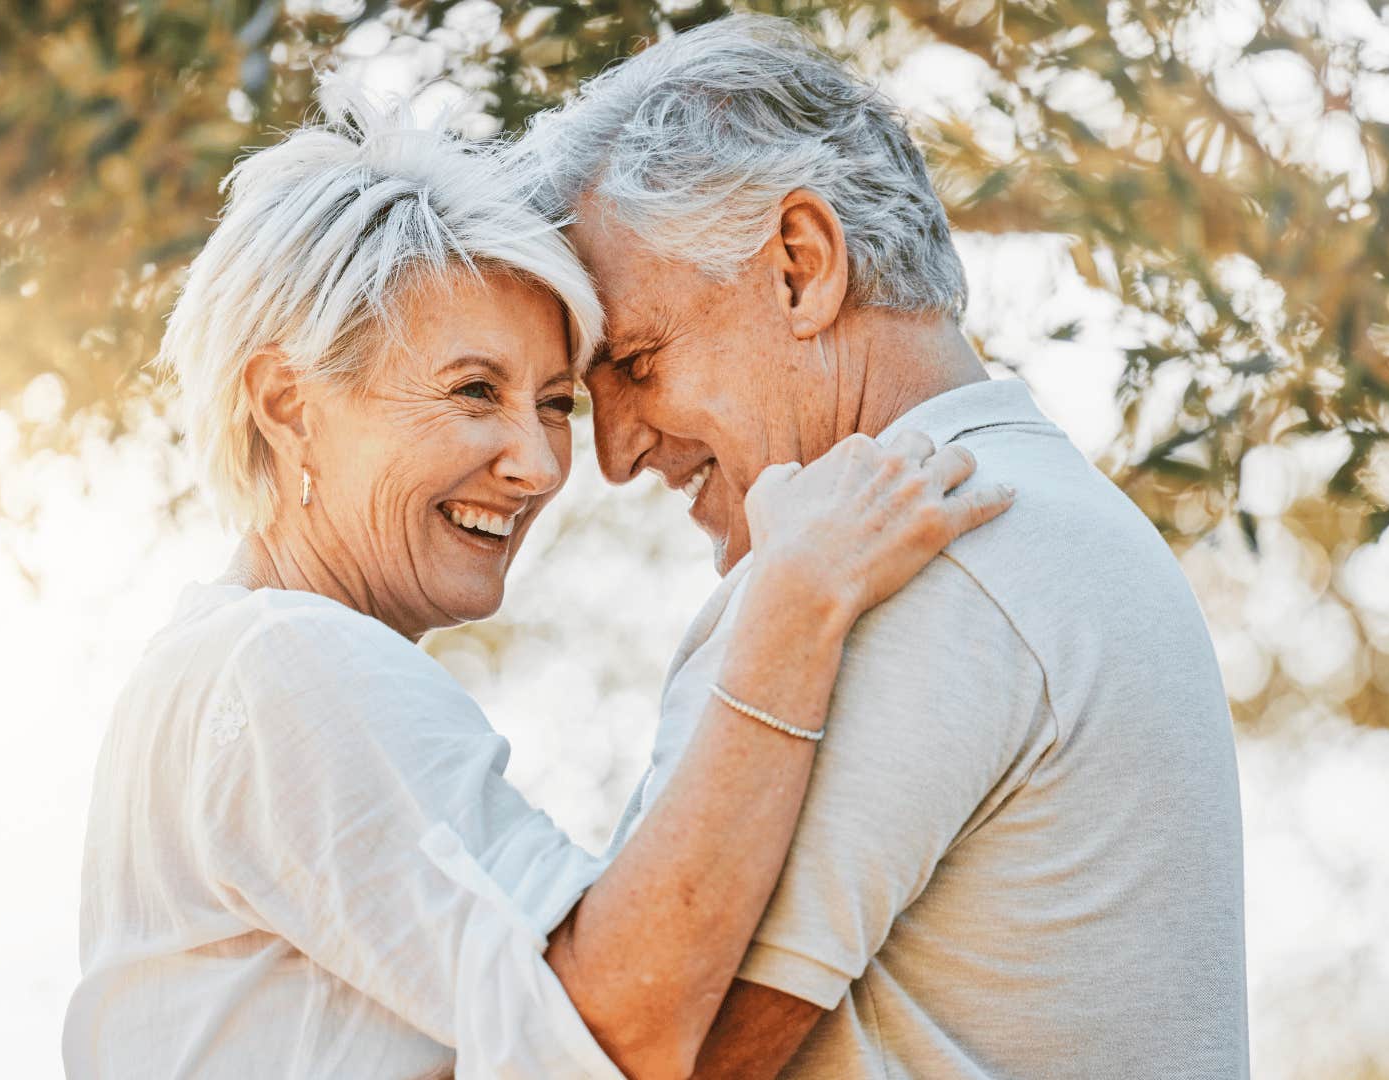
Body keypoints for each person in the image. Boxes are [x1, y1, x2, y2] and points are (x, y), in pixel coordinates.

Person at [61, 75, 1012, 1079]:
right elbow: (612, 1029)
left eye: (557, 402)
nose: (543, 464)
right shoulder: (284, 665)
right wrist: (795, 600)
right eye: (475, 390)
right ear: (288, 404)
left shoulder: (217, 669)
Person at [510, 14, 1249, 1078]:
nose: (616, 455)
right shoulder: (1052, 527)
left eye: (635, 362)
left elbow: (626, 1051)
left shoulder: (898, 567)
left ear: (802, 267)